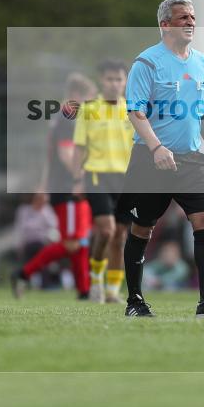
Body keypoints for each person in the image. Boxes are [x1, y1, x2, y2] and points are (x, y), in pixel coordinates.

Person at [118, 0, 204, 318]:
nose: (190, 22)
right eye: (183, 17)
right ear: (165, 25)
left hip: (190, 160)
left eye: (192, 17)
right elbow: (135, 112)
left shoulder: (203, 63)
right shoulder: (146, 62)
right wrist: (157, 148)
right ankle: (135, 301)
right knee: (142, 228)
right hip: (150, 159)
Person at [12, 74, 95, 300]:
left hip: (64, 187)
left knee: (80, 239)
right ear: (76, 95)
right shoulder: (68, 118)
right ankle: (23, 273)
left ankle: (84, 290)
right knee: (71, 243)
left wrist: (43, 184)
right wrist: (83, 177)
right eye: (89, 99)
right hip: (69, 188)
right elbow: (66, 154)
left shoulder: (61, 118)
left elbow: (50, 159)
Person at [72, 59, 134, 303]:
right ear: (101, 80)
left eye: (119, 79)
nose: (114, 84)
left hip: (126, 179)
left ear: (125, 82)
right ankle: (96, 278)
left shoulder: (133, 110)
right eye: (110, 79)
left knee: (120, 236)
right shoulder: (89, 109)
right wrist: (77, 179)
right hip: (97, 175)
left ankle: (113, 290)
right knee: (106, 231)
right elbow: (79, 147)